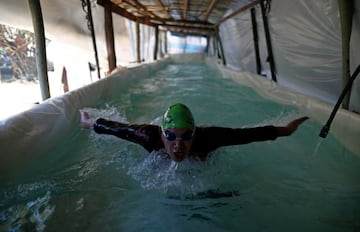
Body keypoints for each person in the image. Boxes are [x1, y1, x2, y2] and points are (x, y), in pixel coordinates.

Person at [80, 103, 308, 162]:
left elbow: (246, 135)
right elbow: (117, 129)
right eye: (170, 137)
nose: (178, 145)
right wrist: (89, 122)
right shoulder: (147, 135)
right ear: (162, 134)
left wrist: (286, 130)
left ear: (194, 133)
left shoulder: (208, 138)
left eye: (185, 137)